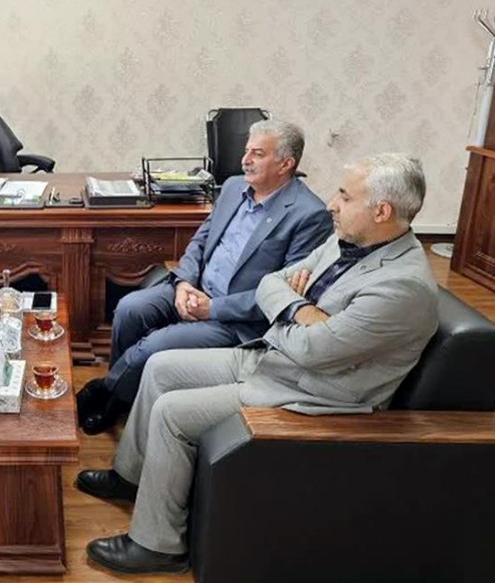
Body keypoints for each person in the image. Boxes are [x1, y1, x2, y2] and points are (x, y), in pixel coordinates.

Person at [76, 153, 438, 575]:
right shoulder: (348, 242)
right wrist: (300, 309)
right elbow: (271, 283)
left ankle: (158, 546)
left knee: (172, 413)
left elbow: (314, 352)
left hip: (311, 392)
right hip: (275, 357)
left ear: (382, 211)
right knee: (161, 366)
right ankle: (131, 477)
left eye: (344, 196)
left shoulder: (402, 287)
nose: (331, 205)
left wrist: (288, 311)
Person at [77, 120, 332, 435]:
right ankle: (125, 394)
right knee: (130, 309)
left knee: (153, 347)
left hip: (234, 319)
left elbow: (284, 294)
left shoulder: (309, 215)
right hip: (194, 288)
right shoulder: (233, 187)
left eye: (258, 154)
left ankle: (109, 393)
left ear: (285, 164)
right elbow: (201, 240)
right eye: (246, 151)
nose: (245, 160)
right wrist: (184, 282)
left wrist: (212, 308)